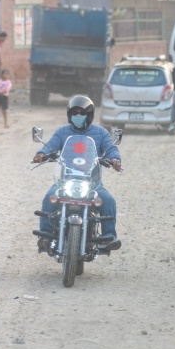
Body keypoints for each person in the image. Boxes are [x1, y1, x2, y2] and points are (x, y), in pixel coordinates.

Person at [32, 95, 122, 249]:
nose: (78, 116)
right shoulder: (62, 132)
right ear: (69, 114)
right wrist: (42, 153)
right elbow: (51, 145)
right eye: (74, 113)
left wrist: (114, 159)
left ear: (90, 114)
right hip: (65, 179)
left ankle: (108, 237)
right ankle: (45, 236)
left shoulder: (101, 133)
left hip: (92, 182)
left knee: (108, 201)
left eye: (82, 113)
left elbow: (110, 148)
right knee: (49, 198)